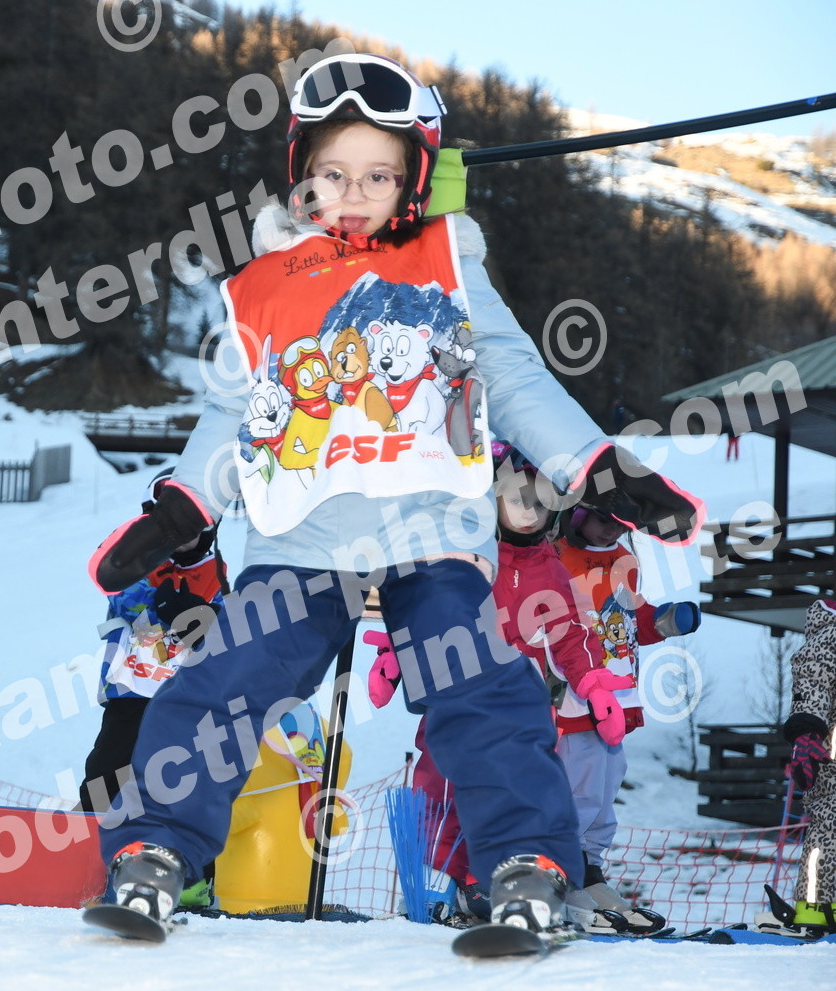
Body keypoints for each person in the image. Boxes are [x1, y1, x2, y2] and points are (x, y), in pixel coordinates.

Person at [81, 52, 702, 941]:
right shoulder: (265, 285)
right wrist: (183, 505)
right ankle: (155, 851)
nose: (353, 193)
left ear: (413, 181)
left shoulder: (446, 264)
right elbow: (234, 413)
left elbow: (515, 380)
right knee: (224, 679)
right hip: (304, 539)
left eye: (378, 175)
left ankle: (528, 861)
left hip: (430, 532)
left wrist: (595, 468)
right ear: (300, 176)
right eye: (332, 173)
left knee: (479, 686)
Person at [369, 443, 627, 925]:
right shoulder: (464, 558)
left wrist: (593, 684)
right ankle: (442, 885)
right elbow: (427, 611)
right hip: (457, 692)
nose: (529, 512)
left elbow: (571, 633)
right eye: (518, 499)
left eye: (540, 503)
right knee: (442, 785)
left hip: (520, 702)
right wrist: (394, 654)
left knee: (515, 786)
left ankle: (500, 882)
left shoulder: (550, 568)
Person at [553, 503, 701, 933]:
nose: (611, 531)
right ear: (578, 514)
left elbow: (626, 618)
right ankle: (561, 871)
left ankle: (590, 871)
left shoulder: (623, 559)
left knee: (605, 787)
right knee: (580, 786)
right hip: (577, 694)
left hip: (619, 693)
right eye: (604, 519)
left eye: (621, 524)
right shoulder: (557, 557)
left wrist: (664, 620)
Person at [81, 468, 228, 815]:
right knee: (108, 769)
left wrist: (203, 619)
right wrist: (158, 603)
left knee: (175, 774)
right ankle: (93, 828)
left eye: (192, 528)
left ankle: (172, 838)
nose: (183, 537)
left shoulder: (215, 574)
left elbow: (226, 633)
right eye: (175, 526)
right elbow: (119, 597)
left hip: (183, 695)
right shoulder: (138, 562)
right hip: (131, 687)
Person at [759, 598, 835, 938]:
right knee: (829, 825)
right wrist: (807, 731)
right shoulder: (831, 631)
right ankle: (816, 910)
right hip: (829, 757)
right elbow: (814, 680)